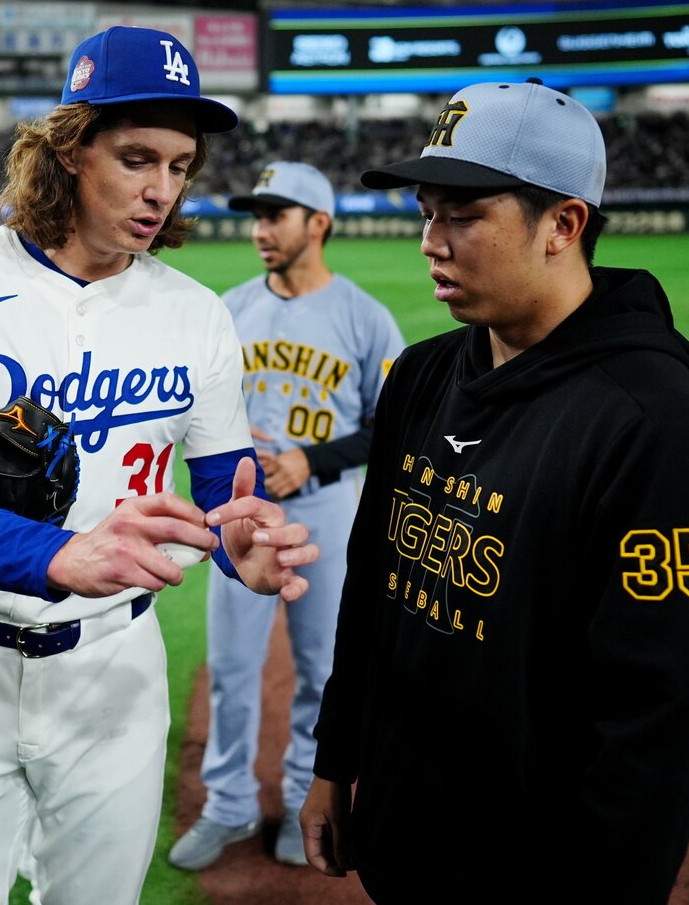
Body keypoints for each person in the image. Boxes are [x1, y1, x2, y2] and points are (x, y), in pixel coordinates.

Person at [0, 25, 320, 905]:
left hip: (115, 668)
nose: (162, 191)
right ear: (70, 150)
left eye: (181, 166)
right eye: (138, 158)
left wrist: (240, 550)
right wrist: (50, 557)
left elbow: (227, 496)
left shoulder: (196, 316)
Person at [301, 78, 689, 903]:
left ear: (564, 224)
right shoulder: (426, 374)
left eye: (464, 216)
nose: (430, 242)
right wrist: (336, 762)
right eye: (426, 212)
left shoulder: (658, 434)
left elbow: (662, 728)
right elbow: (374, 586)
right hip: (402, 841)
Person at [169, 162, 404, 871]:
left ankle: (306, 791)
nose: (260, 229)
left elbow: (390, 429)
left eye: (277, 215)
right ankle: (228, 805)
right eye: (256, 215)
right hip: (238, 522)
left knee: (322, 667)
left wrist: (315, 459)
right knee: (232, 670)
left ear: (319, 224)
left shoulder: (364, 317)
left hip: (328, 513)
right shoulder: (227, 308)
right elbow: (187, 416)